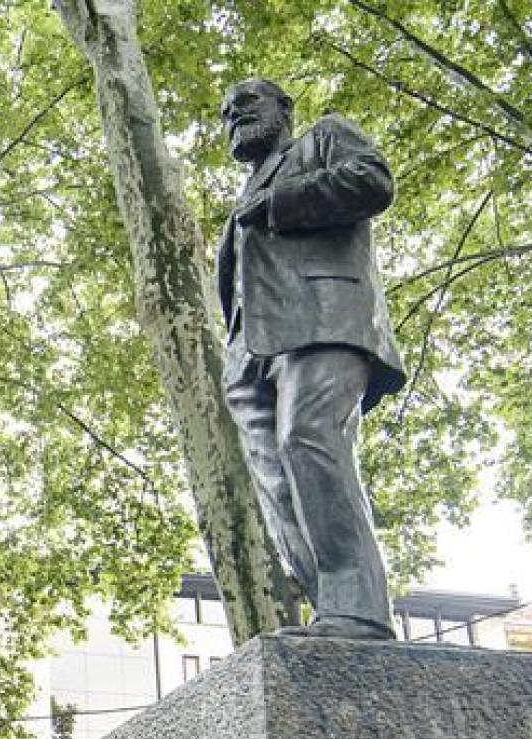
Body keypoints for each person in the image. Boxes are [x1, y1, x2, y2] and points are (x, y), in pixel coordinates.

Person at [217, 76, 406, 641]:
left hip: (324, 321)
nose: (234, 115)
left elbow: (372, 181)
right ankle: (335, 610)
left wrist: (277, 203)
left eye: (247, 103)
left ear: (284, 108)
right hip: (251, 350)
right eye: (226, 112)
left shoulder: (323, 139)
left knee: (309, 439)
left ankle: (359, 610)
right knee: (275, 478)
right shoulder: (243, 192)